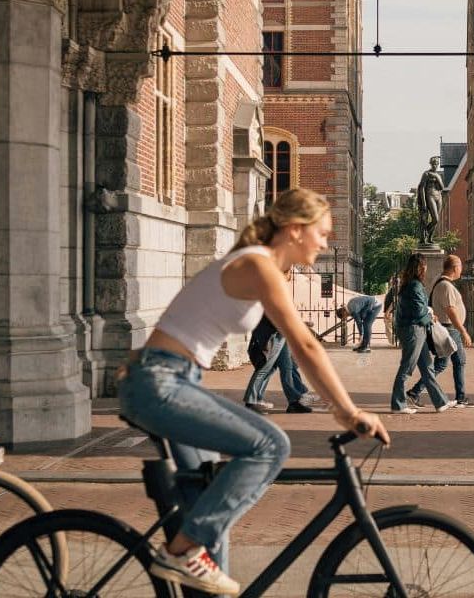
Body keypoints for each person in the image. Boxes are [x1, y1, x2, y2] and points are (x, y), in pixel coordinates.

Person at [117, 188, 389, 595]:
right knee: (270, 445)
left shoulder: (263, 267)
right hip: (160, 382)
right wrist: (349, 413)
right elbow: (306, 345)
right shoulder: (258, 265)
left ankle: (190, 553)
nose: (326, 242)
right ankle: (181, 550)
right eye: (323, 233)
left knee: (209, 500)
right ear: (296, 230)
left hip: (172, 379)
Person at [407, 255, 474, 408]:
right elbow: (451, 311)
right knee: (451, 363)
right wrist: (463, 331)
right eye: (460, 267)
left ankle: (416, 392)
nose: (461, 270)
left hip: (449, 329)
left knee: (448, 363)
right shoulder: (445, 286)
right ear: (455, 267)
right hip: (450, 329)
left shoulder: (442, 283)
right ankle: (459, 397)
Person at [390, 254, 455, 414]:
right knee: (407, 367)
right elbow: (419, 312)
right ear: (420, 267)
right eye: (424, 265)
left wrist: (427, 314)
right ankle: (398, 405)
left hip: (414, 329)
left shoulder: (410, 284)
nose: (426, 268)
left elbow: (417, 309)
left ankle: (440, 402)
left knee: (427, 368)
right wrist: (430, 317)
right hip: (414, 329)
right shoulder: (415, 286)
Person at [244, 315, 321, 414]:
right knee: (265, 368)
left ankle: (293, 402)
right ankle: (250, 402)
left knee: (287, 367)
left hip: (282, 333)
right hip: (273, 332)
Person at [416, 156, 445, 245]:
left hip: (438, 197)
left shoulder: (438, 175)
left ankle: (429, 238)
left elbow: (442, 187)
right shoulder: (426, 174)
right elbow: (421, 188)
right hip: (430, 195)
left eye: (437, 163)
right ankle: (425, 232)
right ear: (431, 163)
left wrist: (436, 177)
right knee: (435, 219)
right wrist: (424, 203)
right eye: (433, 163)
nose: (435, 165)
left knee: (437, 220)